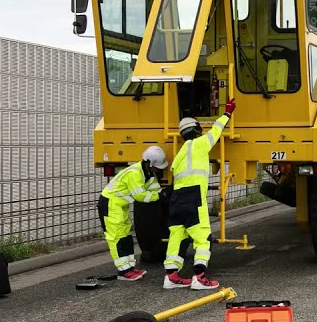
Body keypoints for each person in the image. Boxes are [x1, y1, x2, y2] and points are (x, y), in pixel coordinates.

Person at [163, 98, 236, 290]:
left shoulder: (179, 155)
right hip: (193, 198)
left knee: (177, 236)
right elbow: (216, 131)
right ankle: (199, 277)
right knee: (202, 236)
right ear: (197, 130)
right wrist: (227, 113)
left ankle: (171, 276)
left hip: (176, 199)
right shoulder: (201, 144)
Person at [98, 146, 169, 281]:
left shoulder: (148, 174)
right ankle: (123, 271)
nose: (158, 171)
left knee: (125, 234)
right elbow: (140, 196)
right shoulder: (135, 174)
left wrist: (166, 195)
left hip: (119, 205)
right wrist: (160, 197)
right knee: (117, 237)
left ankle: (129, 268)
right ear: (149, 164)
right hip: (110, 204)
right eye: (157, 168)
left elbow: (157, 190)